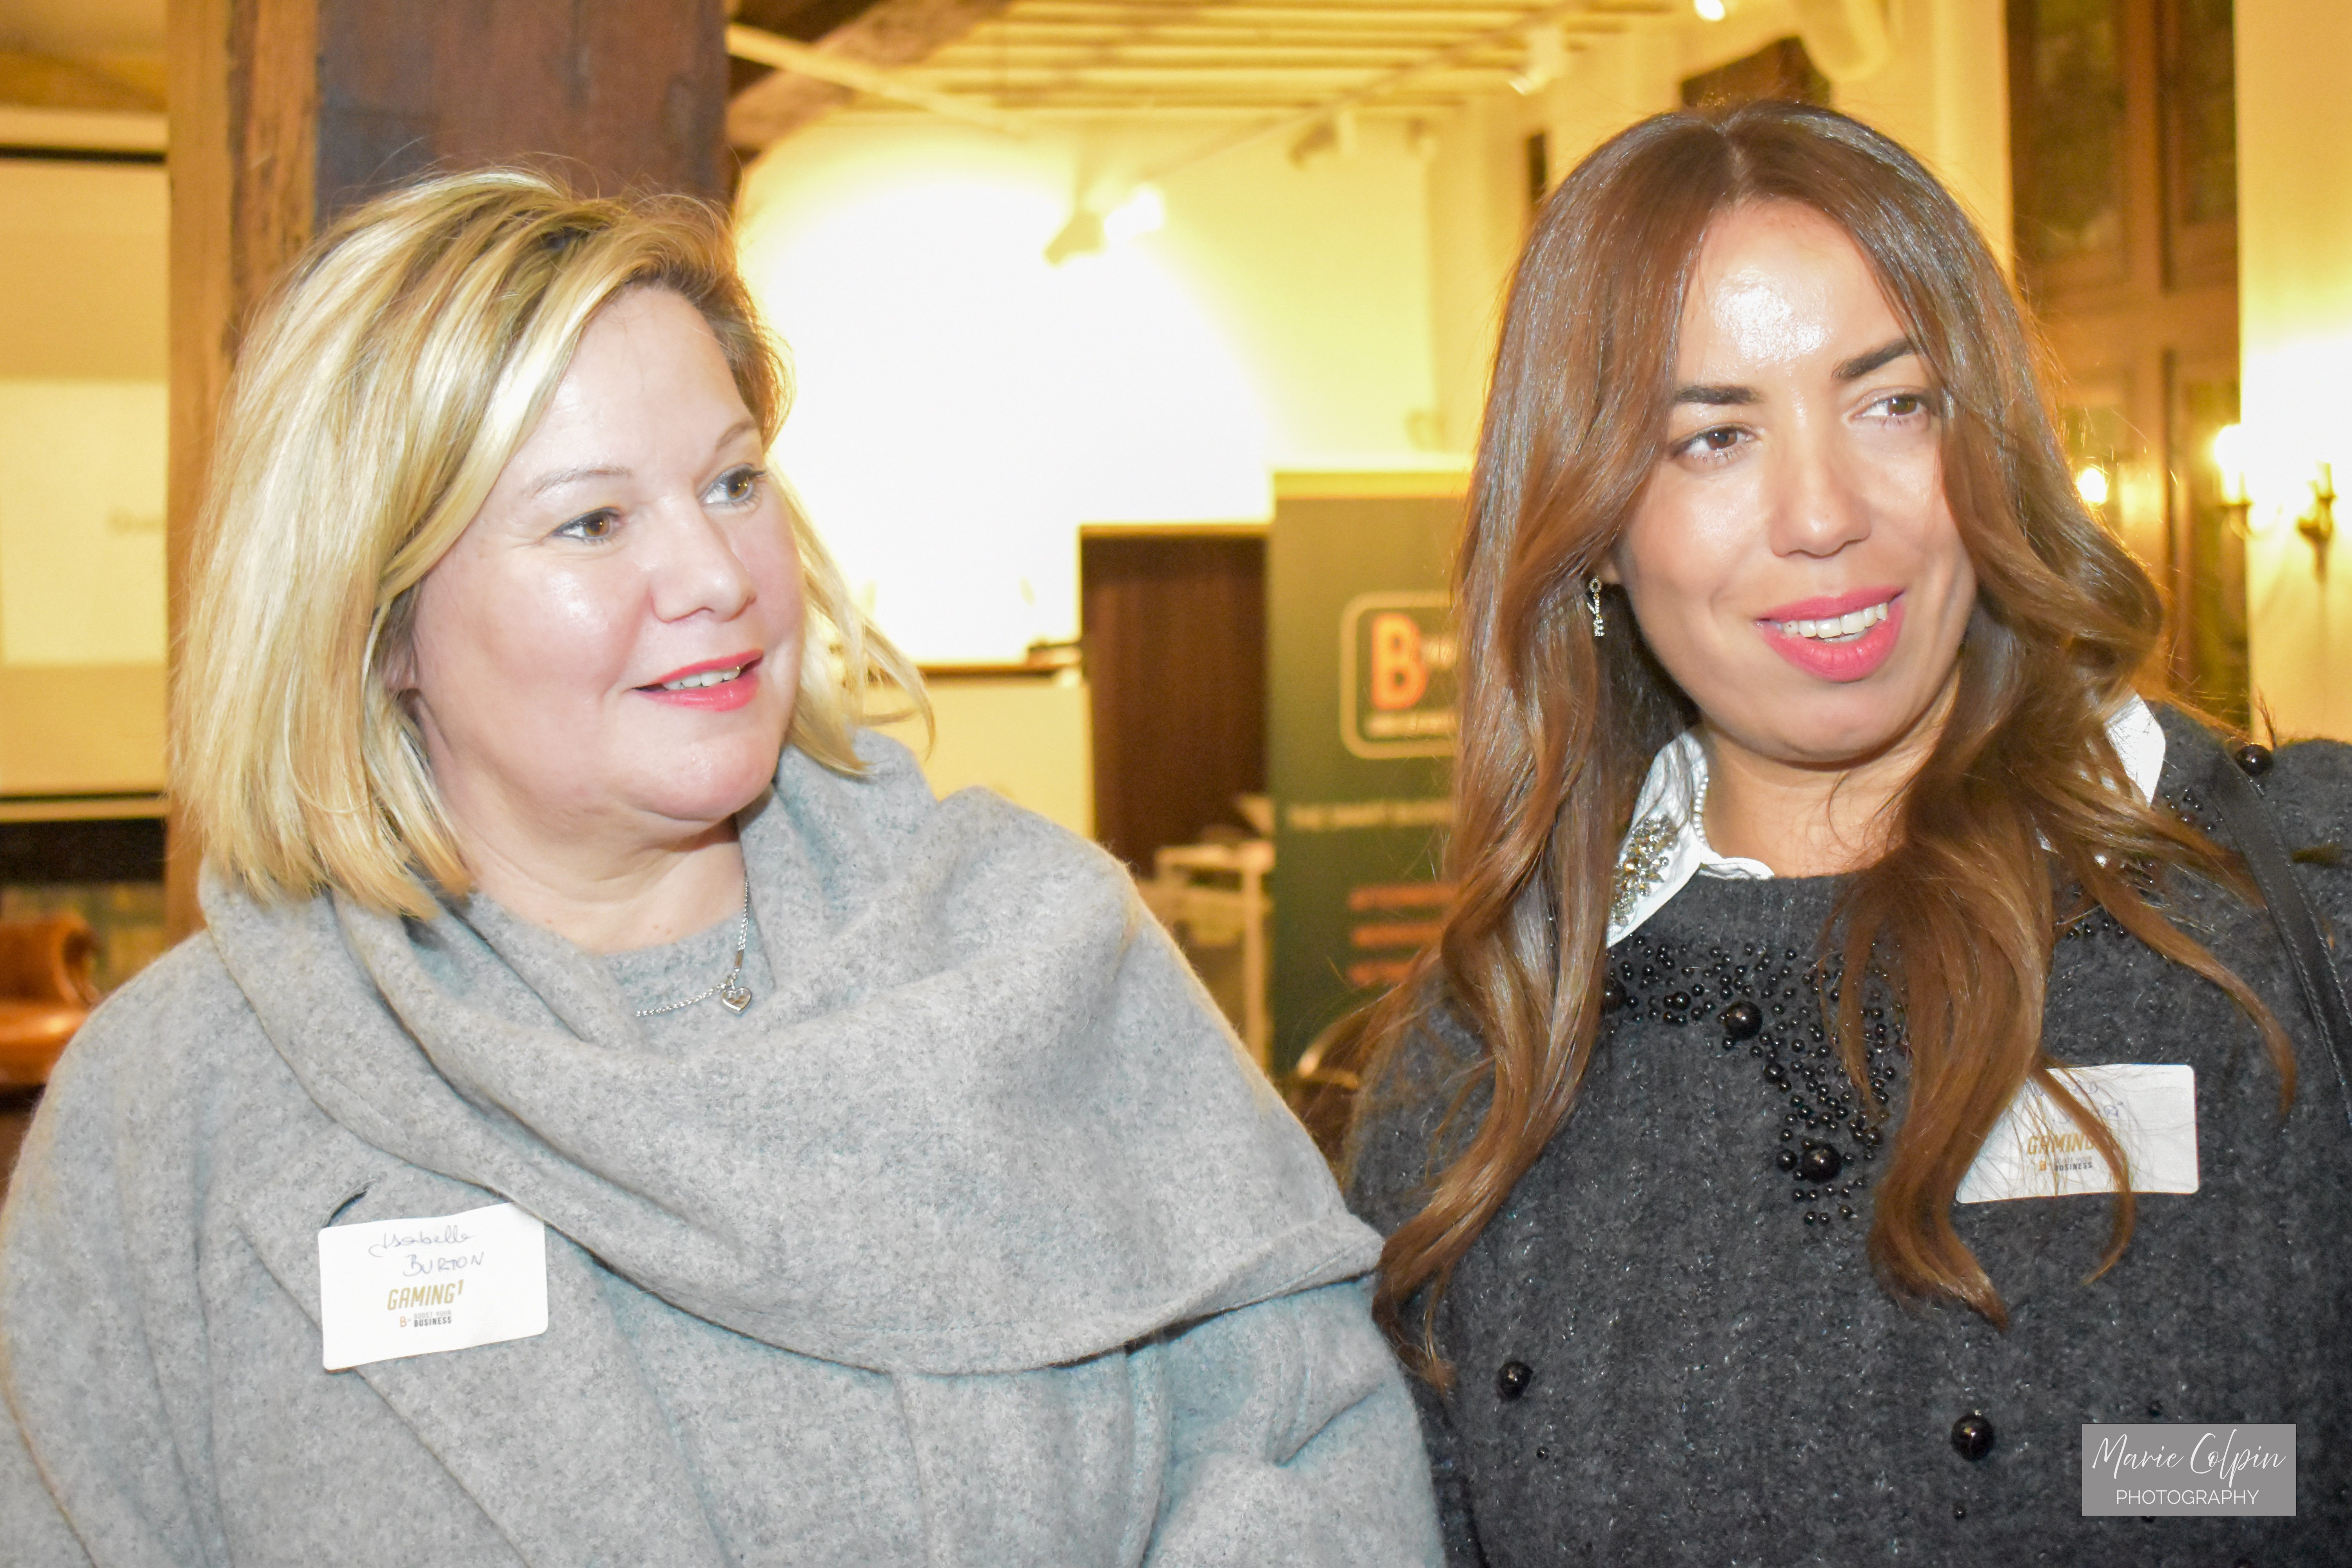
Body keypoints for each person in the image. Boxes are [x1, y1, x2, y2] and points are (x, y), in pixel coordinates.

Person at [0, 170, 1442, 1566]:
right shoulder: (179, 1112)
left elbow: (1309, 1439)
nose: (717, 574)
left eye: (733, 482)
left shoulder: (1039, 952)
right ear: (378, 628)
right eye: (593, 520)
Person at [1345, 100, 2352, 1564]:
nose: (1823, 515)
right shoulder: (1479, 1063)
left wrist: (2130, 1480)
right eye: (1712, 438)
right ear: (1594, 532)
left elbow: (2272, 1473)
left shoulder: (2302, 896)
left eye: (1894, 405)